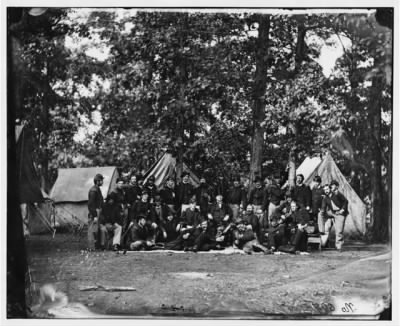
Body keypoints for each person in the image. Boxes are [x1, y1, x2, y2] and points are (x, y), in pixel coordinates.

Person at [322, 180, 348, 251]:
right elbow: (323, 207)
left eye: (327, 189)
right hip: (332, 212)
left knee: (339, 231)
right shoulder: (325, 198)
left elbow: (345, 201)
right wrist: (322, 213)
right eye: (325, 190)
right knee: (326, 227)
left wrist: (343, 209)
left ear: (330, 189)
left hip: (340, 213)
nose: (326, 191)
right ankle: (323, 243)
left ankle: (338, 246)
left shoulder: (337, 194)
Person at [87, 174, 104, 250]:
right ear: (97, 181)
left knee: (96, 230)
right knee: (92, 230)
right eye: (101, 180)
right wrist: (95, 216)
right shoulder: (93, 190)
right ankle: (91, 247)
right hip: (94, 212)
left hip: (98, 211)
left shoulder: (97, 189)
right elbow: (90, 205)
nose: (102, 182)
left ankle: (96, 246)